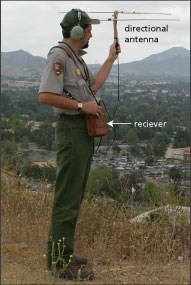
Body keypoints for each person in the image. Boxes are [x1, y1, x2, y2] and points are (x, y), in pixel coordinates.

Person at [38, 8, 120, 280]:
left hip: (81, 132)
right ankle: (61, 263)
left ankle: (64, 253)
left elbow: (93, 86)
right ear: (75, 32)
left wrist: (110, 58)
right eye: (87, 29)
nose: (91, 33)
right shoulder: (59, 55)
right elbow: (46, 95)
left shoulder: (76, 59)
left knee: (74, 196)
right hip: (71, 131)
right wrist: (81, 106)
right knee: (67, 198)